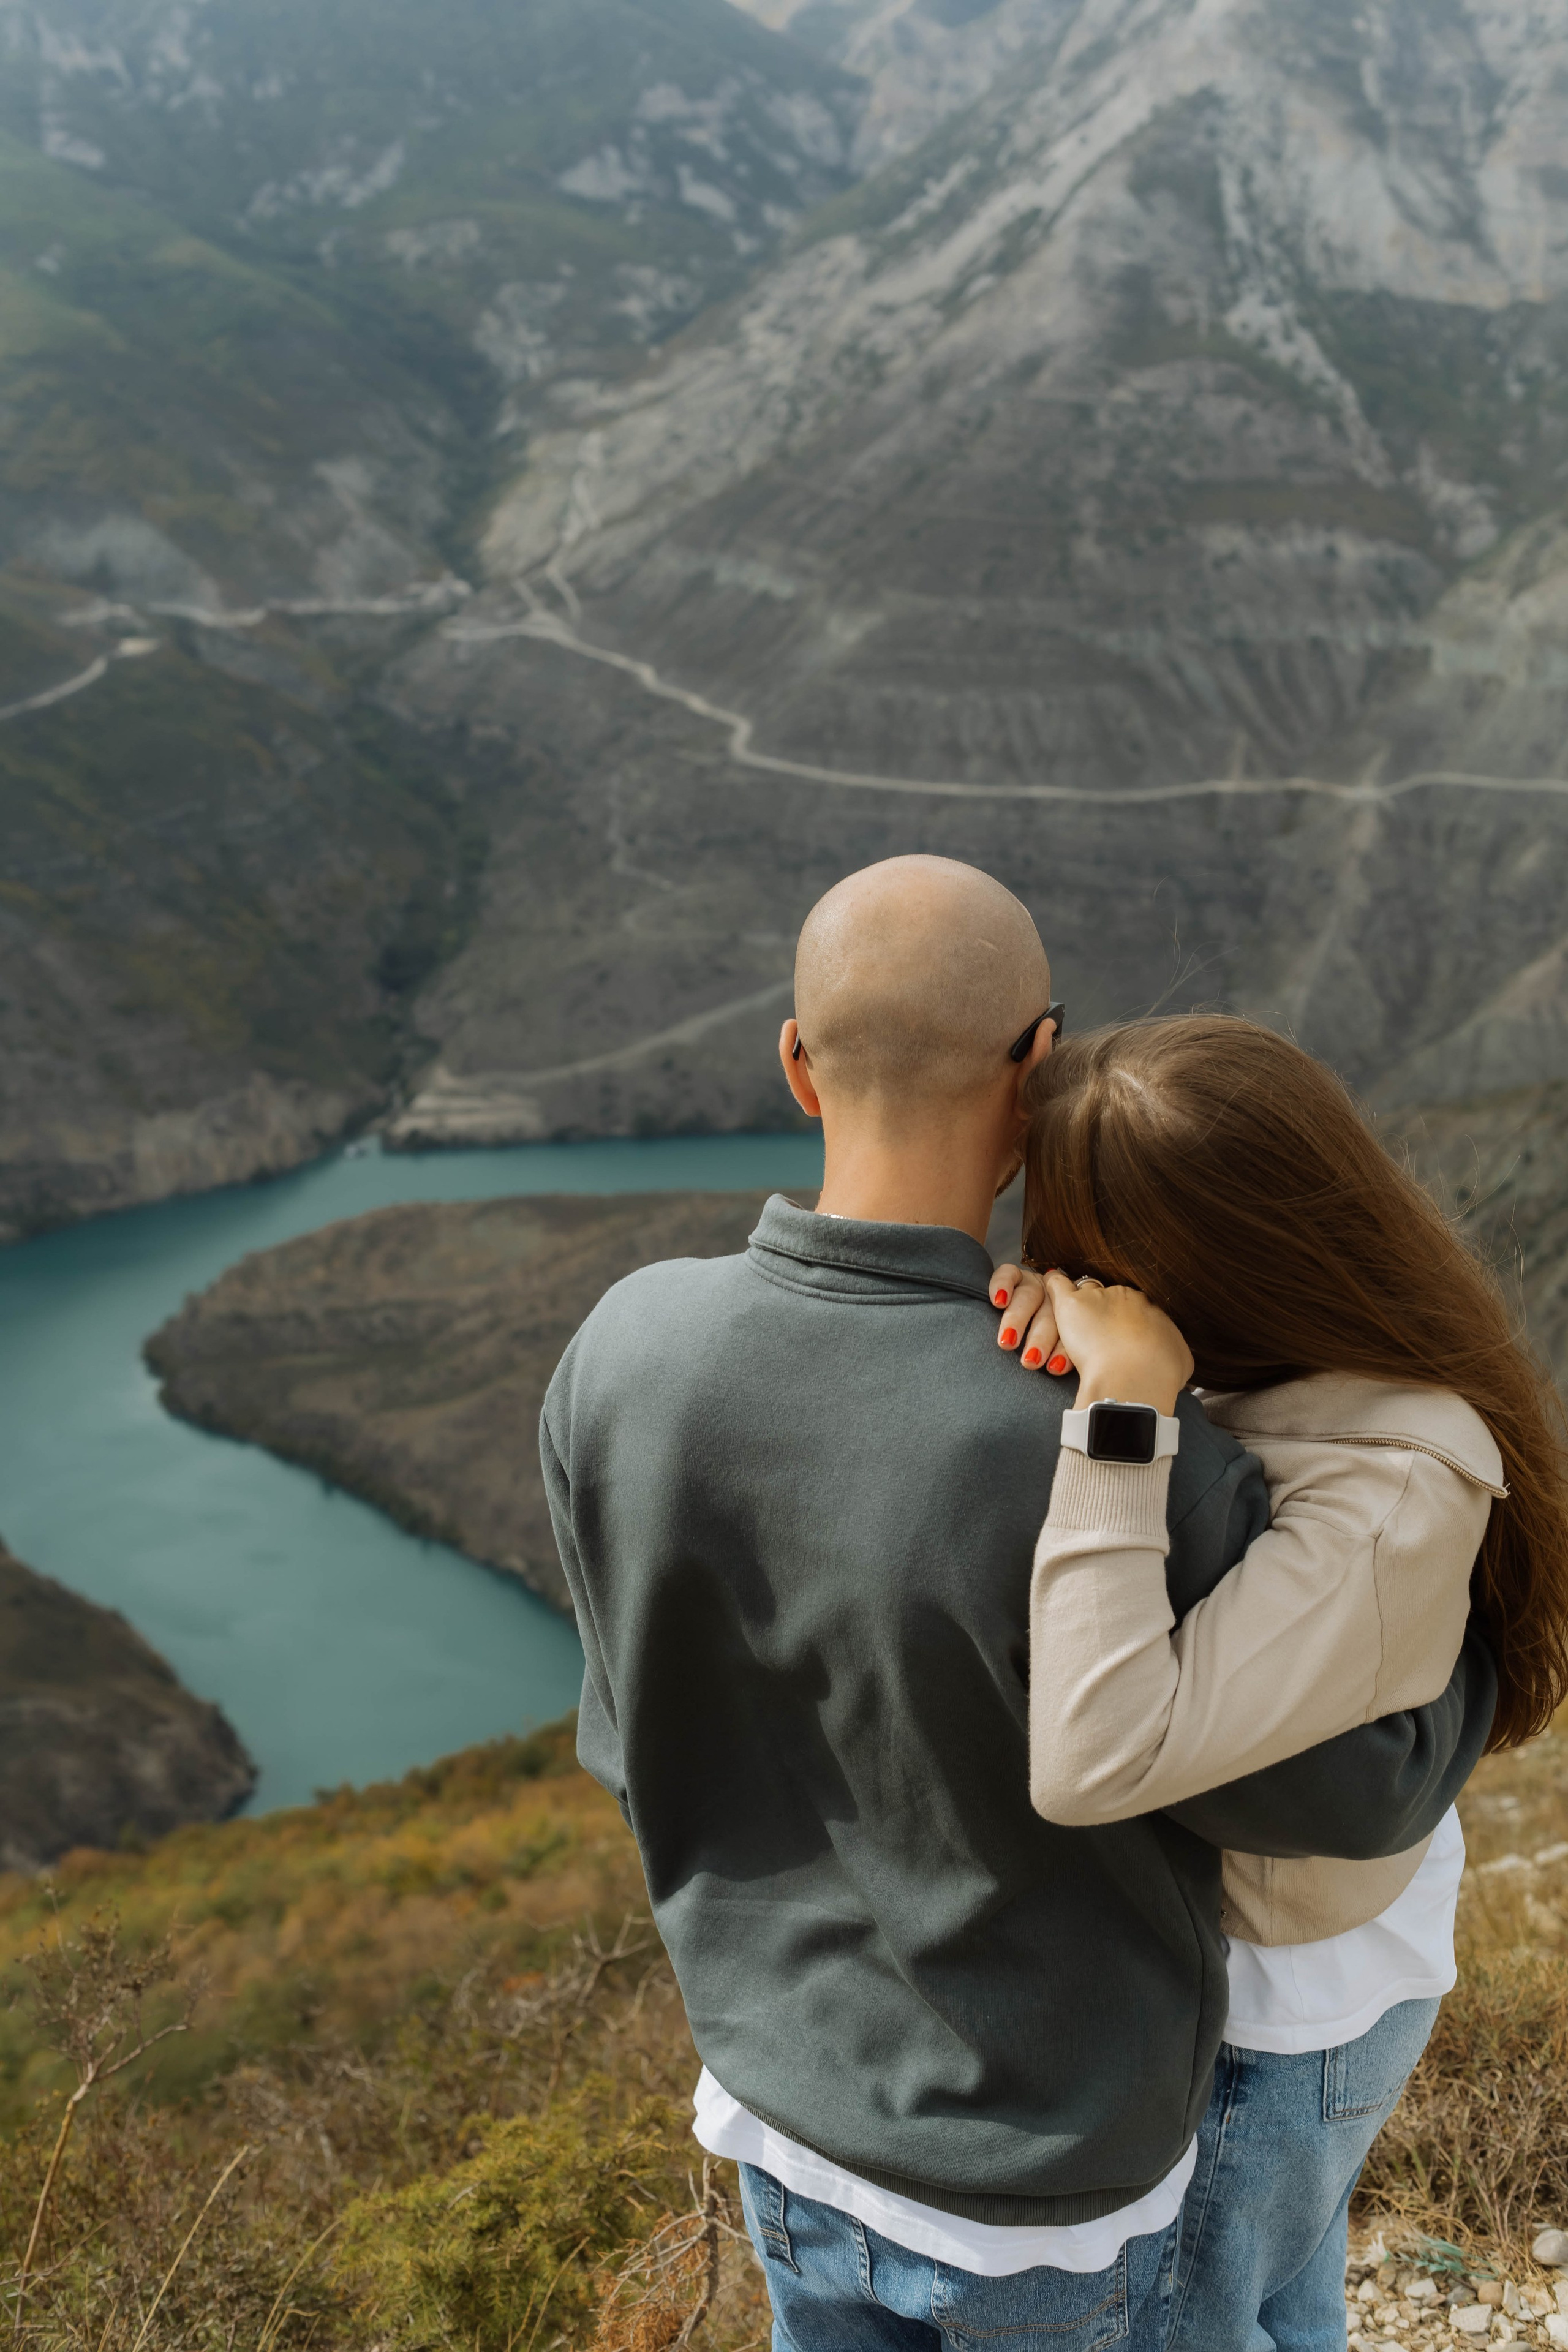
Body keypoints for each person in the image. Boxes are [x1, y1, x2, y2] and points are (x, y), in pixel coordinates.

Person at [540, 858, 1494, 2352]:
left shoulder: (618, 1352)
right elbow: (1345, 1792)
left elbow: (627, 1738)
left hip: (779, 2117)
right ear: (1038, 1064)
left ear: (794, 1062)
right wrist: (1481, 1663)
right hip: (1041, 2189)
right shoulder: (1107, 1449)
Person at [989, 1015, 1568, 2351]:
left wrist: (1122, 1413)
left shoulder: (1390, 1474)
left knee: (1201, 2322)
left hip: (1285, 2015)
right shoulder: (1275, 1367)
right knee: (1281, 2303)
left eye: (1078, 1255)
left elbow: (1093, 1758)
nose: (1047, 1273)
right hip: (1268, 1966)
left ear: (1193, 1264)